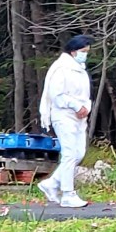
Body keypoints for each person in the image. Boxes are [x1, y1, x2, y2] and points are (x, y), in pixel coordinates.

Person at [39, 34, 93, 209]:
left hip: (79, 117)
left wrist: (85, 108)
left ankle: (51, 183)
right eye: (83, 51)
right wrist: (76, 106)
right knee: (69, 154)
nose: (85, 54)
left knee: (78, 154)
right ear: (73, 51)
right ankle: (68, 193)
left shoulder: (80, 69)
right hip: (63, 115)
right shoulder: (61, 68)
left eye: (87, 51)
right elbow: (57, 94)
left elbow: (85, 94)